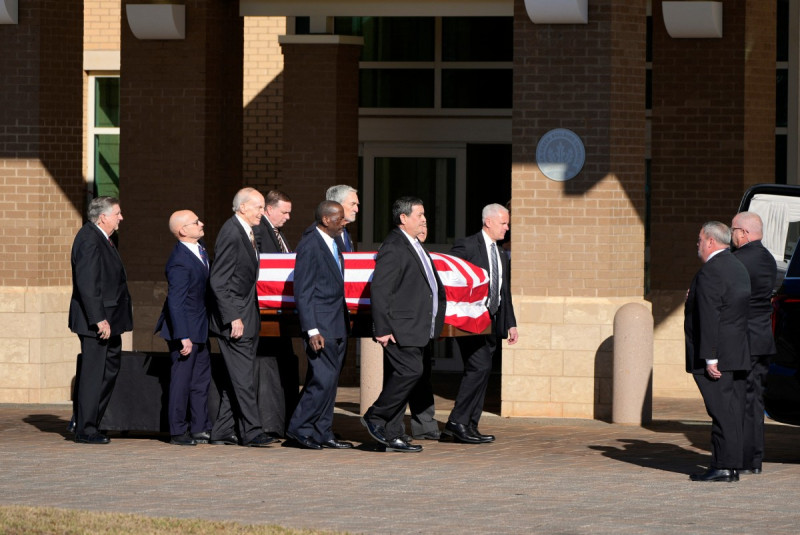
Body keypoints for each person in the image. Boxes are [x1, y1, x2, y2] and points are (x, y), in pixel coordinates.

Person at [361, 196, 446, 452]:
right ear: (403, 218)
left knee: (405, 376)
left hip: (417, 327)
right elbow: (381, 290)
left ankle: (391, 432)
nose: (424, 219)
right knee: (410, 372)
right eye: (419, 215)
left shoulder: (414, 245)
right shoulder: (394, 246)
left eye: (424, 214)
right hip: (400, 328)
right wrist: (383, 328)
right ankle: (375, 416)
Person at [445, 203, 519, 443]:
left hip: (492, 321)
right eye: (503, 223)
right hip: (470, 320)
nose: (507, 228)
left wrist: (510, 323)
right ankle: (457, 422)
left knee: (483, 370)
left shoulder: (499, 252)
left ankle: (469, 425)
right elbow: (450, 277)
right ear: (488, 222)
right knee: (479, 366)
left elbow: (503, 291)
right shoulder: (467, 246)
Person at [208, 187, 275, 448]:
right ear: (243, 207)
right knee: (244, 378)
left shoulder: (247, 232)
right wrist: (232, 317)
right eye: (258, 207)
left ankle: (223, 431)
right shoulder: (231, 232)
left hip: (247, 317)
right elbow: (218, 281)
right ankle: (252, 432)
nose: (262, 212)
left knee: (238, 378)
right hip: (236, 322)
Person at [685, 221, 751, 482]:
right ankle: (731, 465)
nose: (698, 245)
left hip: (718, 356)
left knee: (721, 411)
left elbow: (712, 316)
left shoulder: (712, 270)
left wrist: (711, 357)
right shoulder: (737, 266)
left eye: (700, 240)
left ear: (711, 241)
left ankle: (723, 466)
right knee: (731, 411)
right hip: (736, 352)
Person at [285, 201, 352, 450]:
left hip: (336, 322)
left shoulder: (334, 241)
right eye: (340, 218)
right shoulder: (311, 244)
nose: (345, 222)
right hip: (321, 326)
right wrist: (312, 329)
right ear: (326, 219)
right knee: (321, 380)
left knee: (330, 381)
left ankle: (322, 431)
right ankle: (299, 429)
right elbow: (303, 291)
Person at [68, 196, 133, 444]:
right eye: (118, 213)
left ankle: (90, 420)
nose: (121, 218)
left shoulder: (104, 238)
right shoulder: (88, 239)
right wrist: (98, 319)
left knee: (109, 369)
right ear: (103, 216)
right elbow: (88, 284)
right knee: (94, 374)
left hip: (111, 320)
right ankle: (85, 428)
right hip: (96, 322)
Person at [154, 210, 213, 446]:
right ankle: (178, 430)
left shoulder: (200, 250)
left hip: (200, 327)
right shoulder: (179, 260)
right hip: (185, 330)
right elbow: (175, 301)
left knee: (200, 380)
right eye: (195, 222)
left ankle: (200, 427)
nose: (201, 224)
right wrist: (183, 336)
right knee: (181, 382)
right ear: (183, 230)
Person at [731, 211, 777, 475]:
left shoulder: (738, 261)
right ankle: (754, 460)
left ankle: (744, 459)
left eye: (733, 229)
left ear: (744, 233)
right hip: (761, 339)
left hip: (744, 341)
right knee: (755, 402)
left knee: (741, 401)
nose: (731, 234)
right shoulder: (768, 259)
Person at [253, 189, 299, 438]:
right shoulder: (260, 232)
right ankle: (269, 423)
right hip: (266, 314)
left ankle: (281, 420)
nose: (288, 217)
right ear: (269, 210)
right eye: (285, 212)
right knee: (268, 366)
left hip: (281, 314)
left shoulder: (278, 234)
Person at [404, 225, 441, 441]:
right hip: (407, 325)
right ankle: (392, 426)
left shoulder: (423, 252)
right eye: (420, 221)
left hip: (424, 324)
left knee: (422, 376)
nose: (423, 227)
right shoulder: (402, 250)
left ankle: (425, 425)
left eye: (427, 224)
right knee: (403, 377)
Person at [325, 185, 359, 252]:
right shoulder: (322, 234)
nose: (356, 209)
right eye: (352, 204)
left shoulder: (345, 231)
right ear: (337, 205)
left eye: (357, 205)